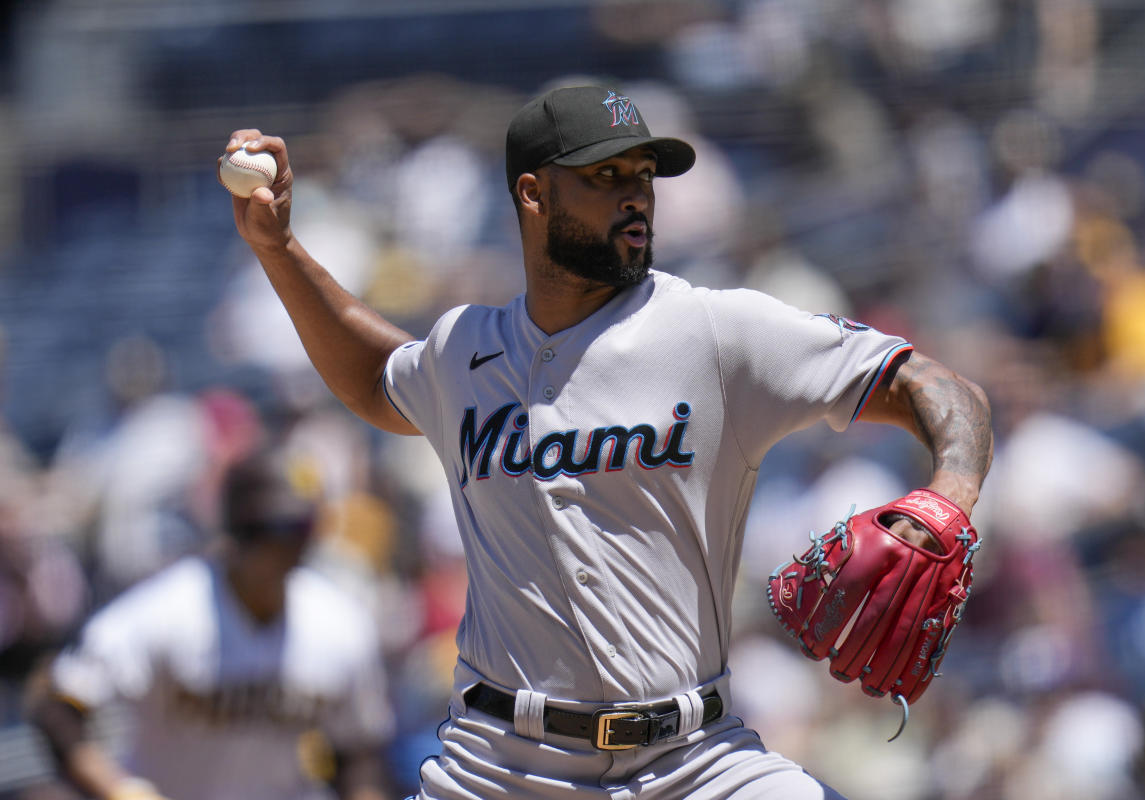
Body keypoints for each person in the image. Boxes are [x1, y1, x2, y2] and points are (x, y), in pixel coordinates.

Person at [221, 84, 993, 799]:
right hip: (500, 764)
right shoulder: (465, 351)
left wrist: (948, 494)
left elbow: (938, 388)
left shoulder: (716, 332)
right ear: (533, 192)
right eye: (605, 174)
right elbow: (377, 379)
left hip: (695, 759)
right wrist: (278, 251)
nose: (635, 194)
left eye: (644, 174)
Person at [28, 447, 395, 800]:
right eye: (275, 532)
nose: (288, 547)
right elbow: (55, 704)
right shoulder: (166, 611)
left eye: (300, 531)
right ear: (237, 533)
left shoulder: (338, 624)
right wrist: (121, 790)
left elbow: (358, 752)